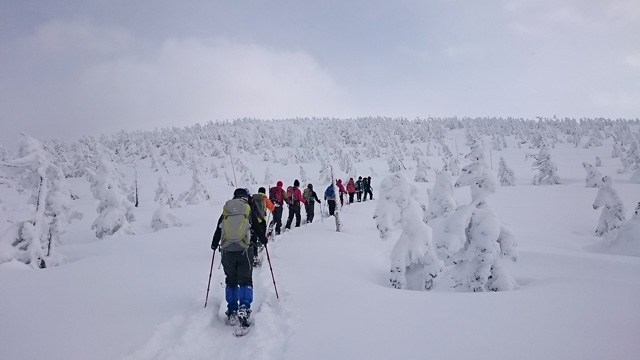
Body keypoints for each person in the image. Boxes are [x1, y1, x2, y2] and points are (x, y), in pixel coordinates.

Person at [210, 188, 268, 328]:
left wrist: (214, 244)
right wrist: (263, 240)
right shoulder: (247, 209)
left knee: (230, 280)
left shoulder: (227, 209)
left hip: (227, 250)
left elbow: (218, 229)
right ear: (245, 197)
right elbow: (257, 227)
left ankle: (232, 310)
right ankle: (244, 308)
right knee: (245, 279)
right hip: (245, 250)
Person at [250, 187, 274, 266]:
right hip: (261, 221)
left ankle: (254, 255)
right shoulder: (265, 199)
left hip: (253, 221)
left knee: (253, 238)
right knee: (261, 235)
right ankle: (260, 244)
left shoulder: (252, 199)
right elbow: (272, 207)